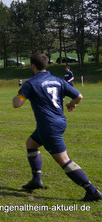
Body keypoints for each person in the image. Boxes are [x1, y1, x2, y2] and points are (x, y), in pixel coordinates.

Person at [12, 54, 101, 202]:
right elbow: (79, 96)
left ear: (33, 66)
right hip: (59, 122)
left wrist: (19, 95)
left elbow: (17, 104)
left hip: (49, 126)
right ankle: (36, 179)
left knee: (64, 160)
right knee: (31, 143)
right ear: (45, 65)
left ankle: (92, 191)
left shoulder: (31, 83)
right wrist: (72, 104)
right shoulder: (58, 80)